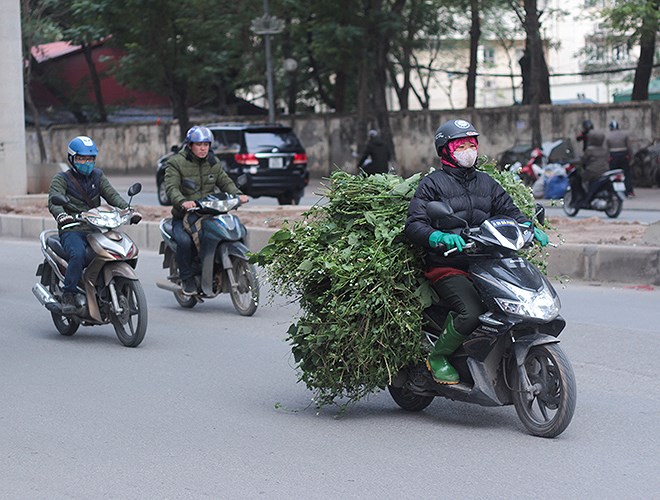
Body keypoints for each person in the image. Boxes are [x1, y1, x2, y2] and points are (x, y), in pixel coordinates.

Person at [405, 119, 548, 385]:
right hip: (449, 265)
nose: (469, 150)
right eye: (461, 145)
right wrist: (439, 237)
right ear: (446, 150)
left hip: (489, 260)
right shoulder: (432, 185)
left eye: (472, 144)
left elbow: (511, 212)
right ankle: (438, 357)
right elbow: (415, 224)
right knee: (471, 312)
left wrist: (529, 226)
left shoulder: (487, 183)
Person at [48, 135, 141, 314]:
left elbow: (112, 195)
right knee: (78, 254)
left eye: (90, 158)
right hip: (72, 228)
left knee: (120, 249)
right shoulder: (61, 179)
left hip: (96, 227)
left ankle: (117, 286)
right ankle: (69, 293)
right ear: (72, 159)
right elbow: (54, 202)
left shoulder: (98, 175)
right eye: (82, 158)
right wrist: (62, 216)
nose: (86, 162)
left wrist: (129, 210)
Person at [164, 125, 249, 295]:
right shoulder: (176, 163)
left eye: (206, 144)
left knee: (239, 230)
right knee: (185, 242)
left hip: (209, 212)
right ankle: (187, 278)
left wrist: (238, 195)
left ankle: (234, 268)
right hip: (184, 216)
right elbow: (171, 188)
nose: (203, 148)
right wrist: (182, 201)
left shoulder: (213, 162)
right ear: (190, 145)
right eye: (199, 144)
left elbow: (225, 182)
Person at [577, 129, 610, 205]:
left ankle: (585, 198)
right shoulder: (605, 149)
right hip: (605, 171)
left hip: (592, 171)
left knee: (583, 179)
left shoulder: (589, 150)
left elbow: (583, 160)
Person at [606, 119, 634, 197]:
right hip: (623, 156)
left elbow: (606, 149)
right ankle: (629, 191)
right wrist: (631, 158)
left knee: (612, 174)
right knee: (626, 174)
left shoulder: (608, 136)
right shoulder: (624, 135)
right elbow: (629, 147)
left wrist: (607, 158)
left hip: (613, 156)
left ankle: (612, 191)